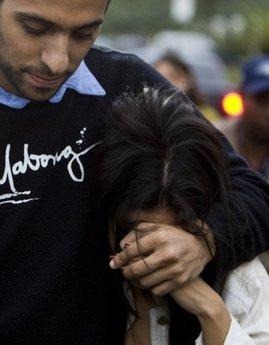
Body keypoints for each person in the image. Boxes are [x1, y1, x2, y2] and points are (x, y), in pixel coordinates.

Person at [0, 0, 268, 344]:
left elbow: (252, 191)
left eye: (84, 33)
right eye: (34, 29)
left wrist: (204, 239)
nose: (58, 60)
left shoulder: (126, 85)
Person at [99, 87, 269, 345]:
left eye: (178, 231)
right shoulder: (85, 274)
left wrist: (210, 311)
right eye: (139, 229)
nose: (160, 250)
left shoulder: (242, 281)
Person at [216, 55, 269, 270]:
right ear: (242, 97)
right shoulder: (211, 138)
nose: (268, 111)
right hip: (225, 265)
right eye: (262, 100)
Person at [154, 52, 221, 122]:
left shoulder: (205, 114)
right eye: (159, 78)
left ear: (188, 79)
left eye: (174, 77)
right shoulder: (148, 117)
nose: (167, 83)